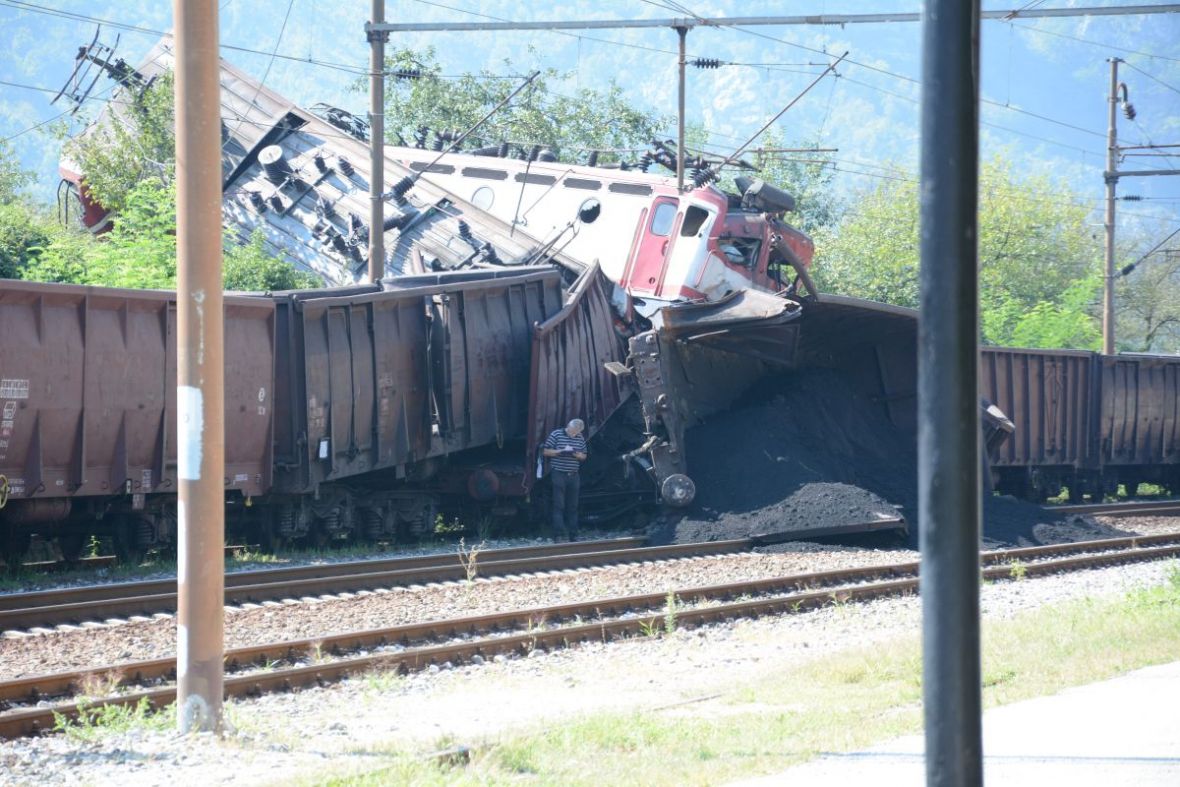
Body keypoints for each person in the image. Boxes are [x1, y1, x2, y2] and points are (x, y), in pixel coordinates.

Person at [542, 418, 587, 541]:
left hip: (573, 474)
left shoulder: (580, 437)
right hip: (559, 473)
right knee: (559, 504)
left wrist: (578, 455)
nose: (573, 434)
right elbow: (545, 451)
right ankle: (559, 534)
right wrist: (560, 451)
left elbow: (584, 455)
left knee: (573, 506)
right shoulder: (556, 434)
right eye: (572, 431)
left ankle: (573, 534)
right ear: (568, 426)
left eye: (576, 433)